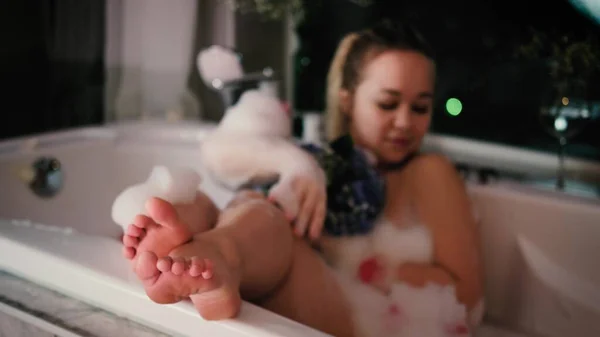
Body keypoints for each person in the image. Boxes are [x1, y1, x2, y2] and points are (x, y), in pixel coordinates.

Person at [121, 20, 483, 337]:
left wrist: (372, 267)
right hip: (299, 280)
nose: (405, 122)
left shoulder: (428, 171)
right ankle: (179, 247)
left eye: (420, 107)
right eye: (388, 104)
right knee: (205, 204)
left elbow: (466, 297)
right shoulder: (327, 161)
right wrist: (296, 172)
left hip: (374, 323)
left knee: (263, 212)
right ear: (347, 99)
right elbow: (218, 152)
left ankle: (213, 257)